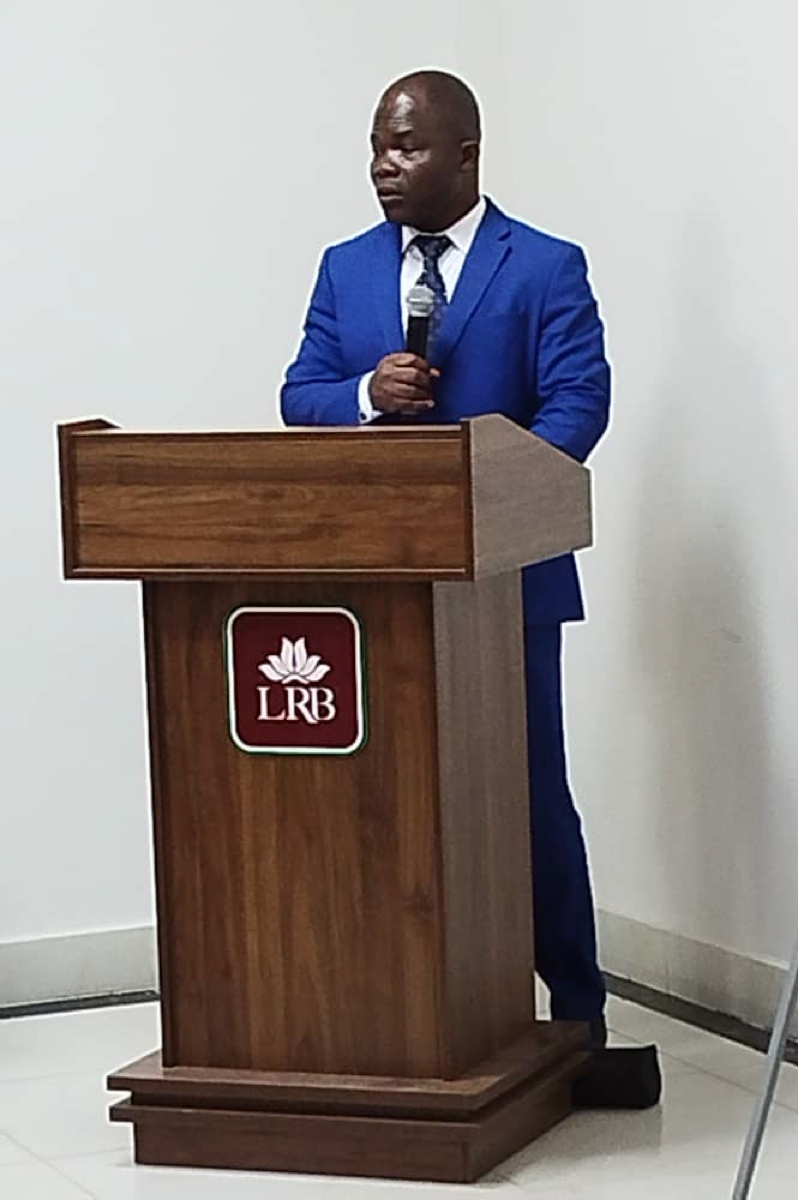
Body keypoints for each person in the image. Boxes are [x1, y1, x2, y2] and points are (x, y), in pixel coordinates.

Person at [280, 70, 610, 1044]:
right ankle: (402, 1002)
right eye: (378, 148)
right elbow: (300, 394)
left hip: (510, 586)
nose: (384, 166)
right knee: (389, 801)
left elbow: (579, 404)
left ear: (466, 154)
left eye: (407, 147)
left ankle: (577, 1010)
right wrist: (366, 395)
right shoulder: (344, 268)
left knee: (529, 796)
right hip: (377, 587)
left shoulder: (544, 266)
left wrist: (492, 496)